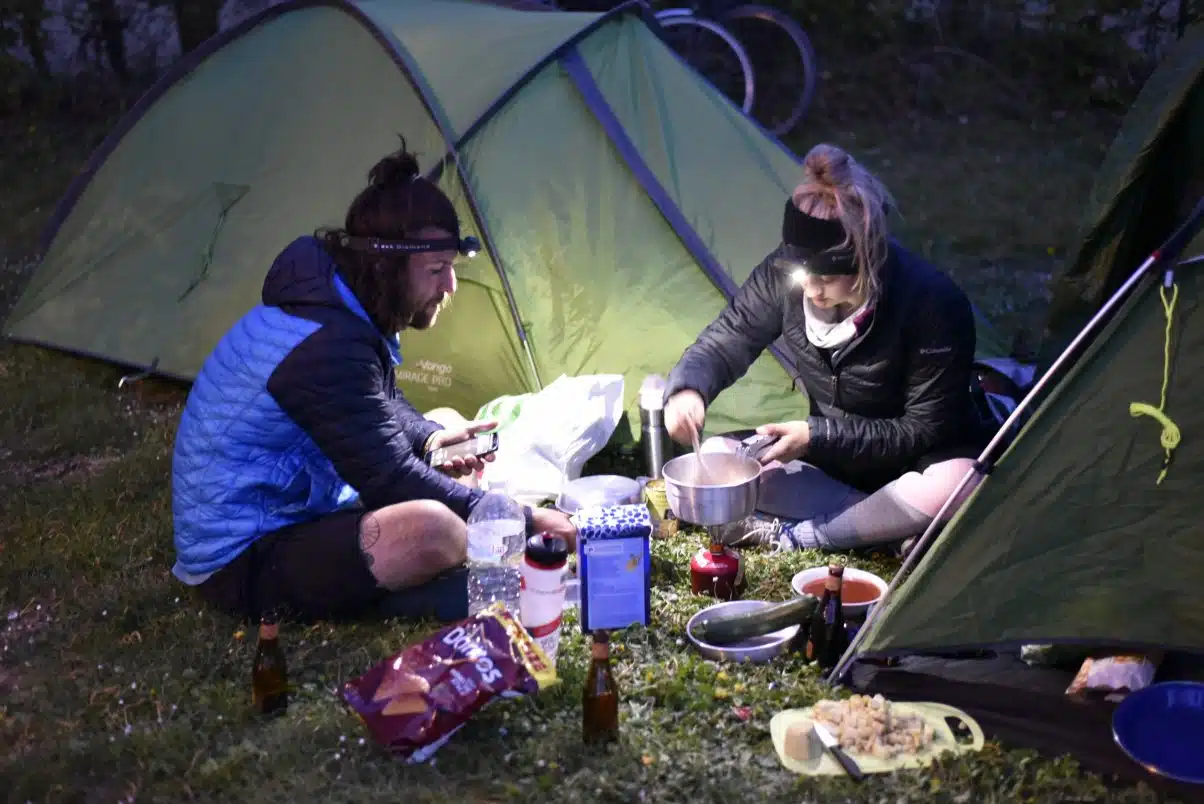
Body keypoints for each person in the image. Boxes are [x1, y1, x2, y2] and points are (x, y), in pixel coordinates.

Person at [171, 141, 577, 622]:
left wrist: (428, 437)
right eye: (436, 270)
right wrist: (526, 520)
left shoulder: (337, 307)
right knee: (433, 529)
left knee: (443, 423)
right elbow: (391, 480)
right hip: (244, 559)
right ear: (387, 264)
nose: (450, 287)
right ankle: (431, 586)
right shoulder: (325, 346)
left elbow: (376, 400)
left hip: (300, 506)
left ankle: (433, 557)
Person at [663, 143, 988, 553]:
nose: (812, 289)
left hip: (919, 466)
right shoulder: (783, 278)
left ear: (868, 257)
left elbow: (921, 430)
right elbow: (731, 335)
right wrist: (689, 389)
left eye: (829, 278)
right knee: (717, 455)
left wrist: (818, 436)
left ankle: (804, 537)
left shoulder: (934, 303)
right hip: (836, 467)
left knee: (958, 482)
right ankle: (881, 532)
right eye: (802, 275)